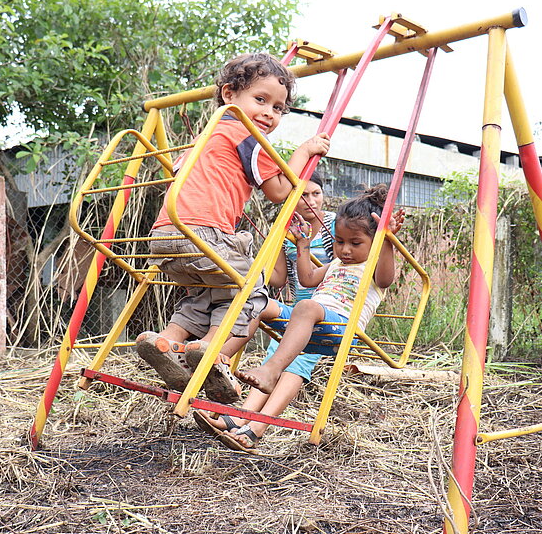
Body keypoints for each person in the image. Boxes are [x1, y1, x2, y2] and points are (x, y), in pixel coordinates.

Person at [136, 52, 330, 404]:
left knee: (207, 293)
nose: (269, 113)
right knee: (252, 291)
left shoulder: (204, 137)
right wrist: (303, 152)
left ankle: (166, 338)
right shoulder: (247, 134)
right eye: (261, 99)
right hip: (202, 234)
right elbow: (279, 192)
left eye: (278, 108)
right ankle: (211, 352)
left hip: (163, 237)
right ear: (229, 95)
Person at [215, 184, 404, 451]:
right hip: (313, 318)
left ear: (373, 242)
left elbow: (386, 278)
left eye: (355, 243)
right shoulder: (337, 263)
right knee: (261, 302)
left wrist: (387, 242)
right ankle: (219, 360)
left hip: (340, 327)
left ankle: (271, 371)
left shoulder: (373, 265)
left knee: (307, 307)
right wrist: (303, 245)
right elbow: (307, 279)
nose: (345, 250)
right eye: (340, 242)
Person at [192, 171, 336, 452]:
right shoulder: (287, 228)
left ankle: (256, 428)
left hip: (324, 310)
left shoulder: (332, 228)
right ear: (291, 201)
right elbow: (278, 279)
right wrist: (268, 251)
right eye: (302, 195)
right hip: (296, 308)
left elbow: (345, 265)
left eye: (315, 193)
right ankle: (233, 403)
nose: (310, 201)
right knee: (262, 314)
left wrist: (305, 246)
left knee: (296, 361)